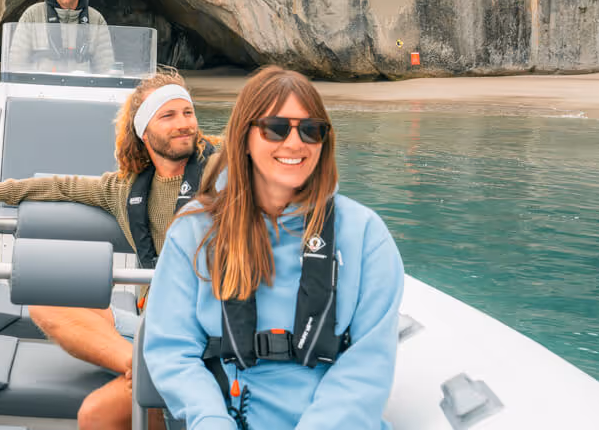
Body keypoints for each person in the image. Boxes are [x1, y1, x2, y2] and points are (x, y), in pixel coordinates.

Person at [0, 70, 216, 430]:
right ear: (143, 131)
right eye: (168, 115)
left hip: (213, 332)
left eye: (188, 112)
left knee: (95, 415)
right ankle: (140, 366)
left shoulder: (226, 173)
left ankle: (154, 369)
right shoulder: (125, 189)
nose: (184, 124)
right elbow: (64, 186)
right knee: (46, 299)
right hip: (154, 329)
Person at [143, 66, 404, 430]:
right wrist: (211, 420)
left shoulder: (365, 235)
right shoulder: (194, 230)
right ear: (244, 136)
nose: (295, 143)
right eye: (276, 128)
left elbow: (368, 363)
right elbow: (172, 350)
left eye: (311, 130)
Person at [7, 0, 115, 73]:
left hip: (81, 84)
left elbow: (105, 68)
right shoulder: (32, 15)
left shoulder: (96, 19)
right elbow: (16, 64)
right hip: (41, 84)